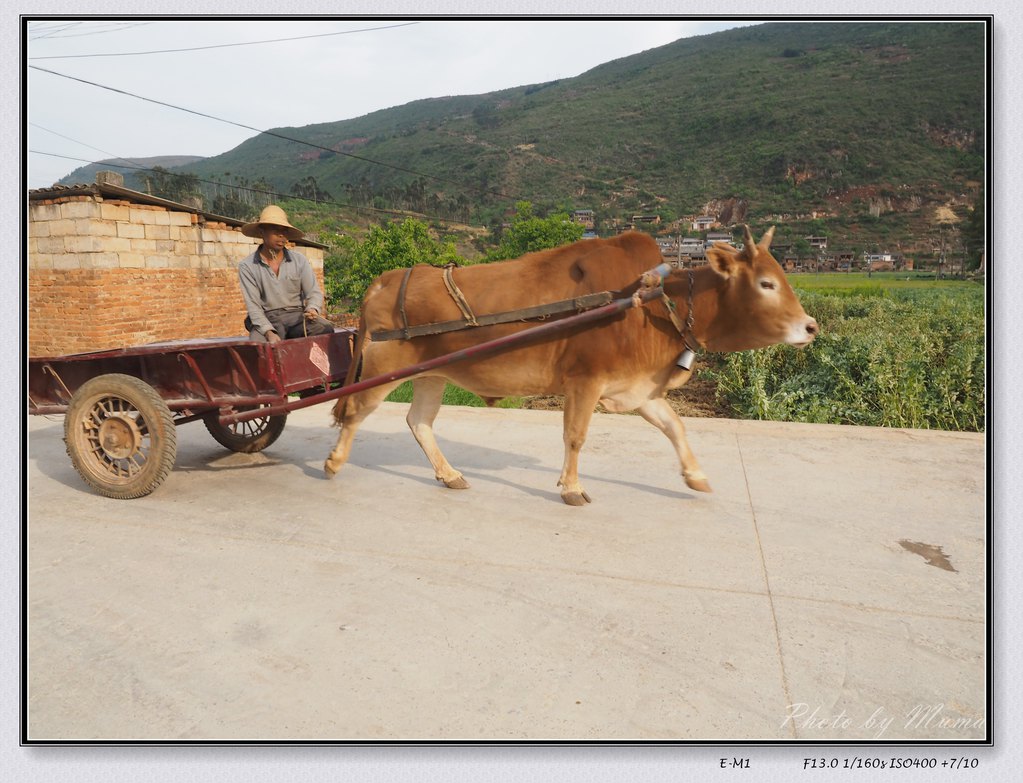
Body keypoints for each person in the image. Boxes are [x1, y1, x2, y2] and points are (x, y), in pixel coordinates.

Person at [238, 205, 335, 342]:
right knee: (258, 346)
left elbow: (314, 293)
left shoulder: (299, 260)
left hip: (297, 317)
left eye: (285, 231)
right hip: (267, 318)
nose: (281, 235)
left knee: (325, 328)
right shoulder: (247, 266)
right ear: (262, 232)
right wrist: (268, 332)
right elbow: (253, 307)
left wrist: (312, 309)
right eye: (275, 230)